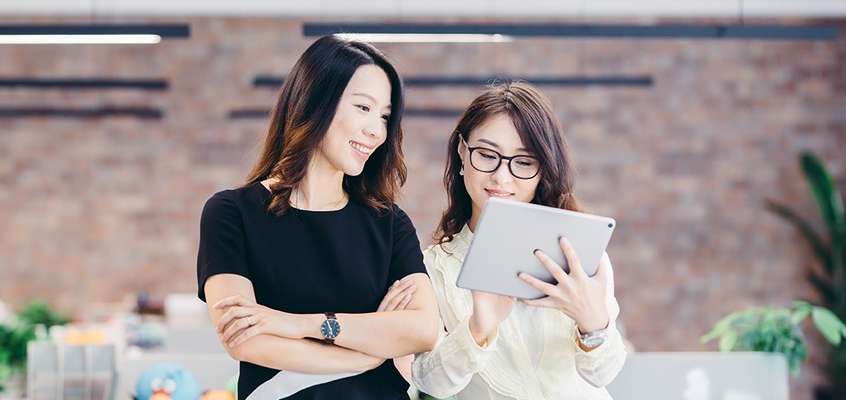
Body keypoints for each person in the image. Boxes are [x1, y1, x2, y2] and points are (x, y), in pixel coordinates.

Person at [197, 34, 439, 400]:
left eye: (385, 116)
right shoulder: (232, 213)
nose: (376, 130)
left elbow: (422, 329)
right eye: (363, 107)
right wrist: (368, 351)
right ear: (314, 102)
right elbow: (245, 340)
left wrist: (299, 325)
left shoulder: (388, 223)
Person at [412, 81, 627, 399]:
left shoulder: (576, 250)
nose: (501, 177)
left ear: (544, 169)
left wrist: (592, 322)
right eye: (486, 155)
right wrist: (478, 329)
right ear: (461, 150)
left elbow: (603, 374)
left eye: (524, 162)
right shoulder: (434, 267)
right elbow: (430, 383)